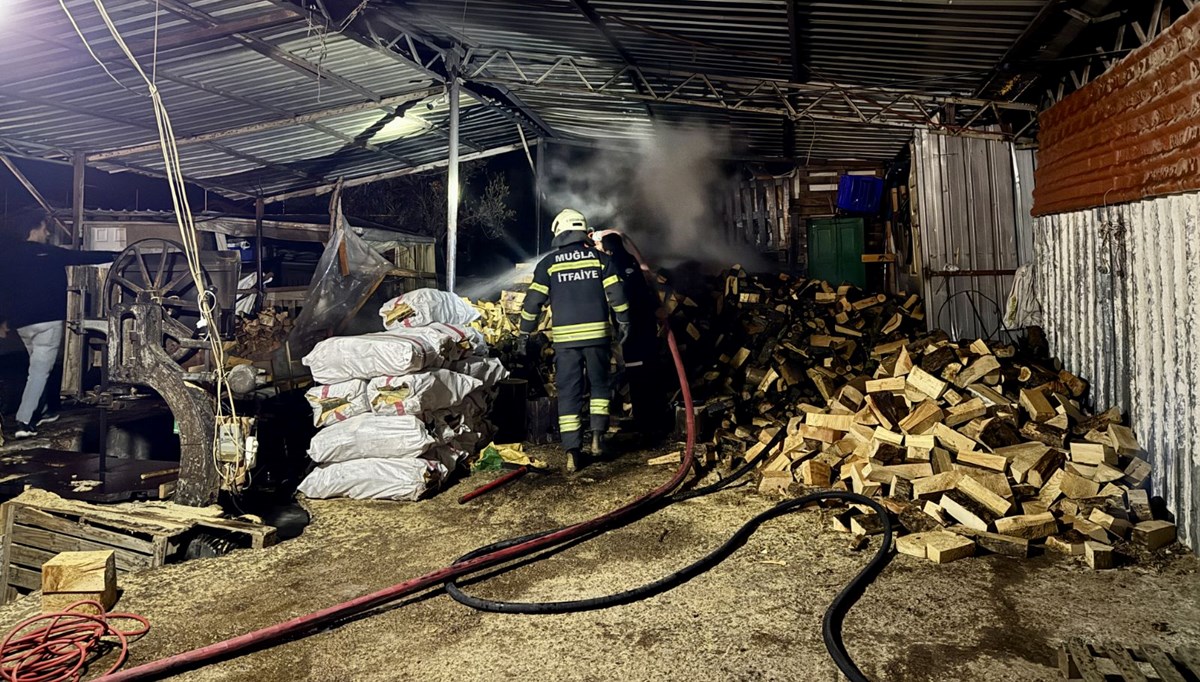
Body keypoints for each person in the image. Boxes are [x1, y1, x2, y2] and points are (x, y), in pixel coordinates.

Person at [518, 209, 630, 472]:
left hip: (566, 343)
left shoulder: (549, 264)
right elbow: (617, 294)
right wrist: (624, 321)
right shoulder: (600, 260)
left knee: (569, 393)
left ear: (559, 231)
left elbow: (533, 302)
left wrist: (525, 332)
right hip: (597, 338)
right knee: (600, 387)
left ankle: (572, 452)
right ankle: (598, 439)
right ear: (582, 231)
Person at [0, 209, 113, 438]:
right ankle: (24, 421)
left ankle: (45, 410)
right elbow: (84, 257)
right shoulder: (49, 253)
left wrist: (3, 321)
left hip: (22, 323)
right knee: (40, 370)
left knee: (38, 367)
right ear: (34, 229)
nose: (47, 232)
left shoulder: (8, 256)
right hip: (48, 321)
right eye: (44, 227)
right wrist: (118, 255)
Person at [596, 231, 669, 436]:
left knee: (637, 373)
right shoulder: (629, 260)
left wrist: (621, 323)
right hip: (643, 325)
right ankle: (652, 417)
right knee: (648, 369)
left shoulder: (614, 264)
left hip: (632, 327)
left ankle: (645, 420)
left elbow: (621, 295)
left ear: (608, 248)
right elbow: (642, 290)